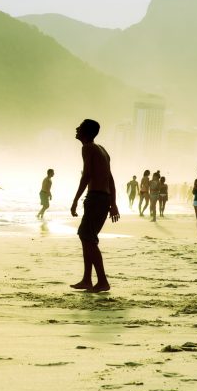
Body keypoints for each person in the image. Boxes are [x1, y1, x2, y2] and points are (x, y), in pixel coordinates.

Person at [69, 119, 119, 293]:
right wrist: (113, 203)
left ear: (86, 132)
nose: (76, 129)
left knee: (87, 236)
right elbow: (110, 179)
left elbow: (87, 176)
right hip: (103, 198)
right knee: (87, 238)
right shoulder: (102, 150)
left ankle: (102, 281)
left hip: (96, 197)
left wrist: (75, 200)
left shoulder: (88, 148)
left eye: (80, 127)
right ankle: (87, 279)